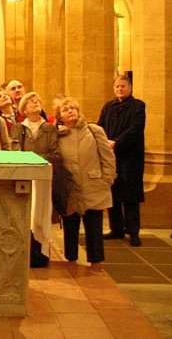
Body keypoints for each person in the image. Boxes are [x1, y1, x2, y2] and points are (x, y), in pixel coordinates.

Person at [55, 97, 116, 266]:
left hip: (93, 183)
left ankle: (96, 261)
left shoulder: (94, 130)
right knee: (70, 224)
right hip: (70, 185)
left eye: (73, 108)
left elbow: (107, 157)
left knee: (94, 225)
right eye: (66, 109)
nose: (70, 111)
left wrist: (107, 179)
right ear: (60, 116)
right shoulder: (58, 135)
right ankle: (71, 259)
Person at [11, 92, 59, 267]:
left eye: (38, 100)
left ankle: (41, 252)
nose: (36, 103)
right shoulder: (19, 128)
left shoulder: (49, 129)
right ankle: (26, 253)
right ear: (24, 109)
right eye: (31, 101)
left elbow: (55, 154)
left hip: (43, 178)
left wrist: (34, 158)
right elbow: (15, 151)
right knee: (26, 215)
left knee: (41, 213)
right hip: (26, 177)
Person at [98, 75, 146, 247]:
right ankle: (116, 229)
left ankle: (133, 232)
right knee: (113, 193)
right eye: (117, 86)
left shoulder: (138, 106)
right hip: (111, 156)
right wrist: (104, 142)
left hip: (130, 157)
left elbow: (135, 129)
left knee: (131, 196)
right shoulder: (108, 106)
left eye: (123, 86)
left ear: (130, 87)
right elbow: (100, 126)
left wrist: (116, 142)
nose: (120, 89)